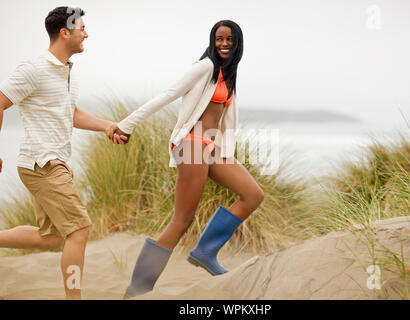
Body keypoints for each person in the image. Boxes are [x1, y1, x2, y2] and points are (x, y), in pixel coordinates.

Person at [108, 20, 264, 299]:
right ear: (212, 41)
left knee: (252, 194)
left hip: (211, 148)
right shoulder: (204, 67)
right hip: (192, 145)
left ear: (238, 42)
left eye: (229, 39)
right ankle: (137, 289)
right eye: (219, 39)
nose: (224, 44)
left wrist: (223, 148)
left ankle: (205, 251)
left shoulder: (228, 75)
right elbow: (168, 94)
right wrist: (127, 124)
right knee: (182, 220)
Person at [0, 6, 124, 300]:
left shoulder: (68, 72)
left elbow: (71, 113)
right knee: (80, 229)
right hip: (42, 163)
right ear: (64, 33)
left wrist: (107, 126)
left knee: (52, 238)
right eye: (82, 28)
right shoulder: (33, 69)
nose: (86, 33)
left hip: (57, 163)